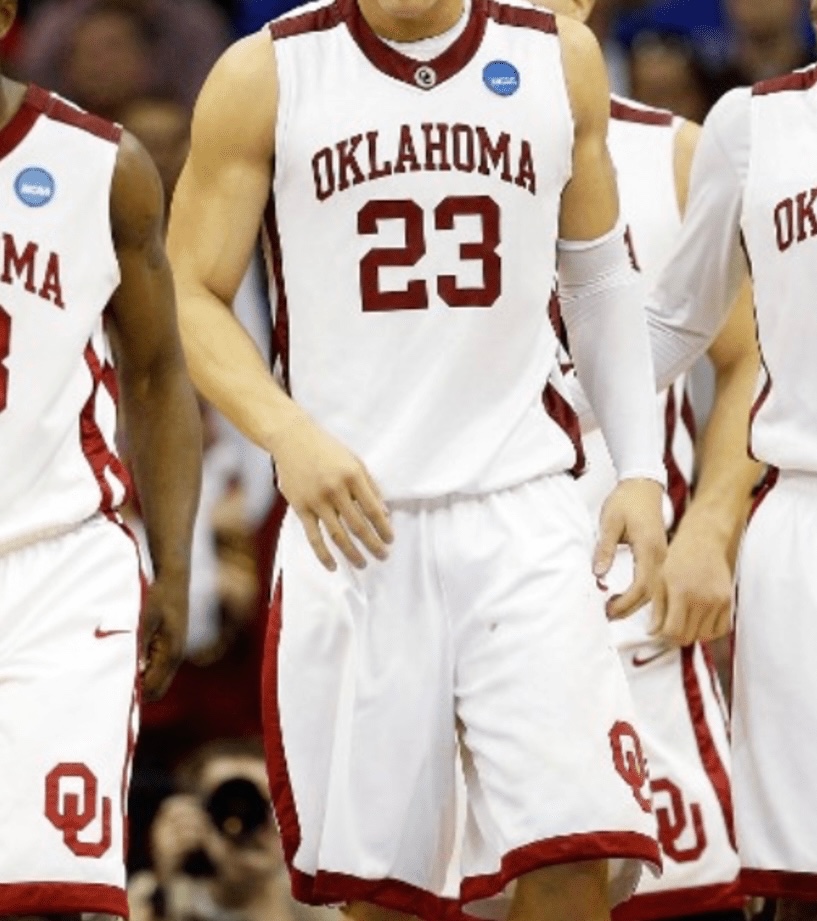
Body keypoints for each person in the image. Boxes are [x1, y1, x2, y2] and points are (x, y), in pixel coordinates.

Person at [167, 0, 672, 918]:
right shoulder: (264, 73)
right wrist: (286, 432)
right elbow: (191, 289)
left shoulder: (556, 57)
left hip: (522, 512)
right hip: (358, 524)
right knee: (385, 893)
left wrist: (638, 467)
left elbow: (597, 275)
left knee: (576, 848)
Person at [532, 3, 761, 921]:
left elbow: (749, 358)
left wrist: (710, 523)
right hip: (467, 604)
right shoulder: (382, 138)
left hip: (635, 615)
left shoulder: (674, 152)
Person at [609, 1, 817, 917]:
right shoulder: (751, 124)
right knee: (798, 877)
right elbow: (673, 323)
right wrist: (549, 392)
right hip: (802, 518)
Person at [0, 0, 202, 916]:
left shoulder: (101, 166)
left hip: (60, 570)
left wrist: (174, 562)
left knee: (53, 896)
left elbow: (157, 374)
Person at [129, 738, 340, 921]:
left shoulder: (322, 902)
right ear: (193, 813)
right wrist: (163, 882)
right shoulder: (150, 897)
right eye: (228, 804)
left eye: (271, 804)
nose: (254, 818)